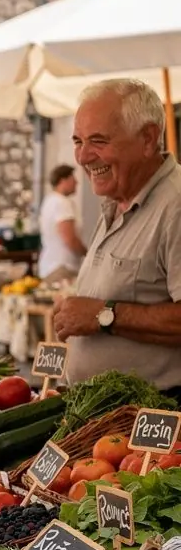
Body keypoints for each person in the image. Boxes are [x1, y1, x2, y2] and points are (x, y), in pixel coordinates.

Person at [53, 78, 181, 397]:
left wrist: (101, 315)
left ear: (148, 138)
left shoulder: (176, 204)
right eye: (77, 141)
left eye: (98, 140)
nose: (82, 157)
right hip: (103, 417)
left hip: (152, 421)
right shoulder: (117, 199)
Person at [38, 163, 86, 281]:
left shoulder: (49, 200)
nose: (76, 183)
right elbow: (70, 238)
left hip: (49, 266)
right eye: (73, 179)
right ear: (63, 180)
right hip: (62, 268)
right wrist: (88, 254)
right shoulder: (62, 203)